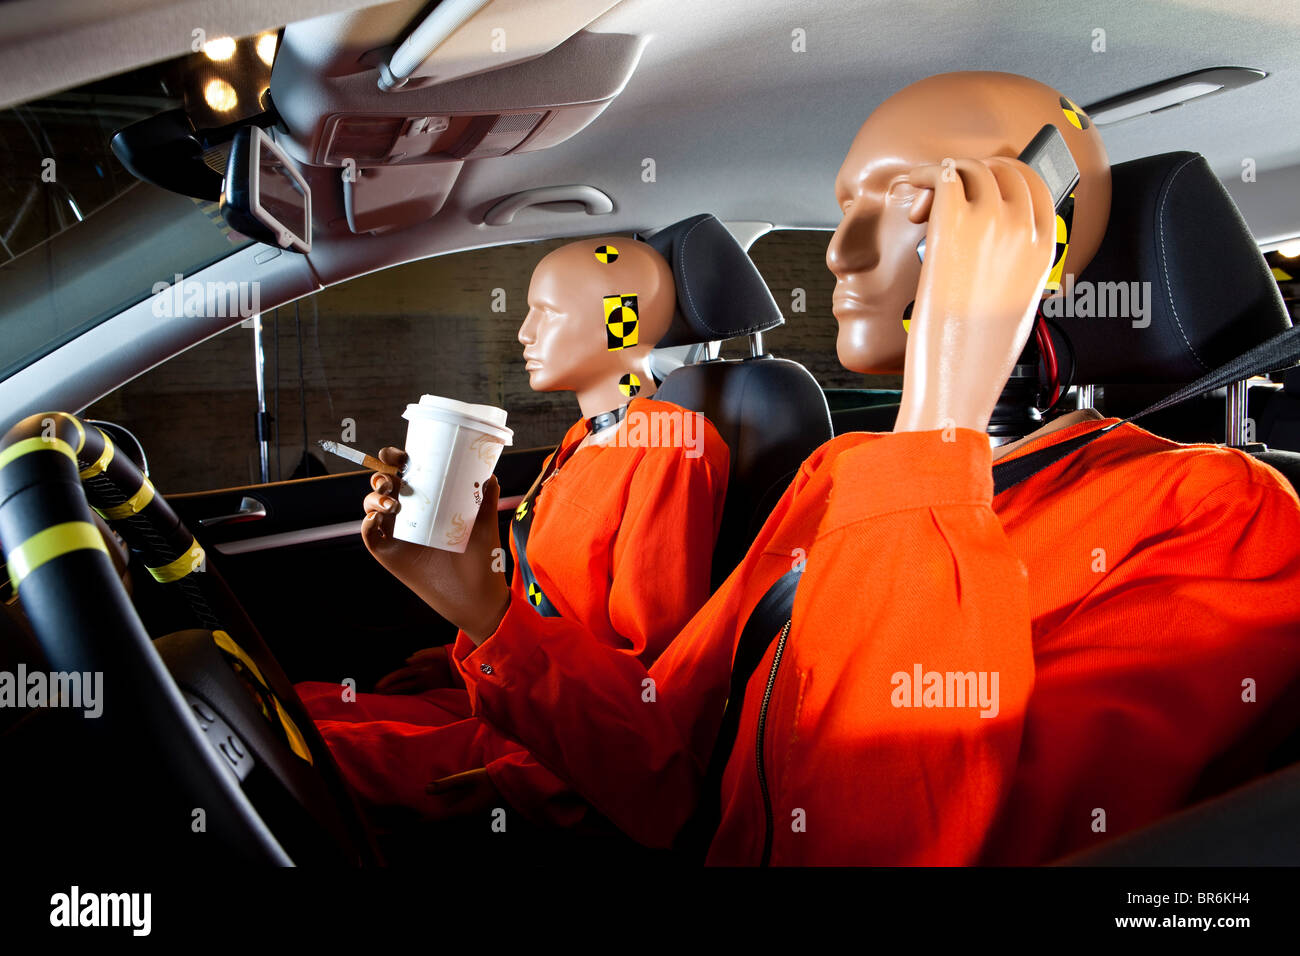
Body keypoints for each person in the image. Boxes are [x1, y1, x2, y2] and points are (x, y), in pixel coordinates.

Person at [393, 72, 1300, 864]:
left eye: (902, 199)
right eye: (843, 206)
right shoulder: (840, 473)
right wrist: (483, 607)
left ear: (1039, 249)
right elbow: (670, 760)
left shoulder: (1220, 515)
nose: (836, 249)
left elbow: (889, 840)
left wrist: (942, 412)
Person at [296, 237, 729, 826]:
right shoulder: (583, 440)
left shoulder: (670, 448)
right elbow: (550, 600)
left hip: (563, 748)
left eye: (545, 312)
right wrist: (464, 657)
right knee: (298, 703)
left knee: (303, 756)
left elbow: (653, 693)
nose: (523, 332)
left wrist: (524, 776)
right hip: (516, 698)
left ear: (620, 322)